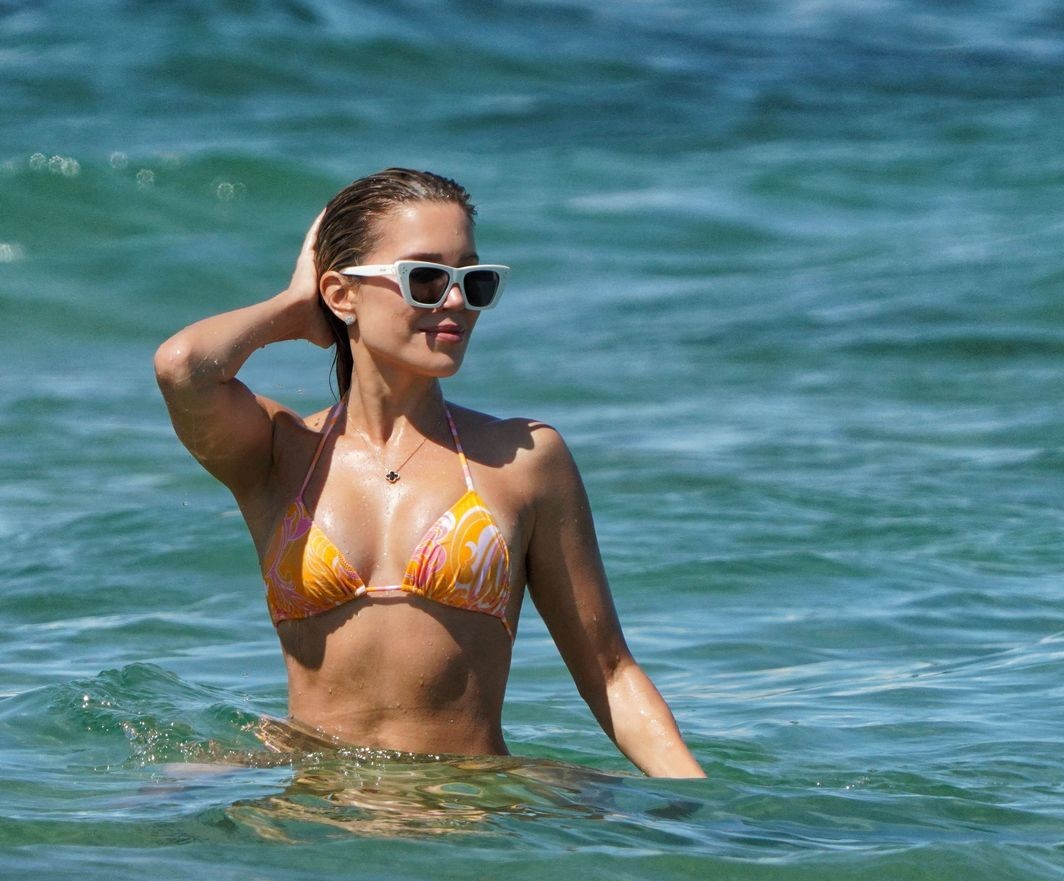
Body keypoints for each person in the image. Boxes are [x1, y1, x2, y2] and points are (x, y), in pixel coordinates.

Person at [154, 167, 703, 777]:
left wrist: (702, 805)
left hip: (462, 802)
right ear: (341, 295)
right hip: (316, 796)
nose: (456, 301)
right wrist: (293, 309)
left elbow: (610, 672)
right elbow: (183, 368)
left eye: (475, 280)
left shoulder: (523, 459)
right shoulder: (281, 454)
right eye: (425, 279)